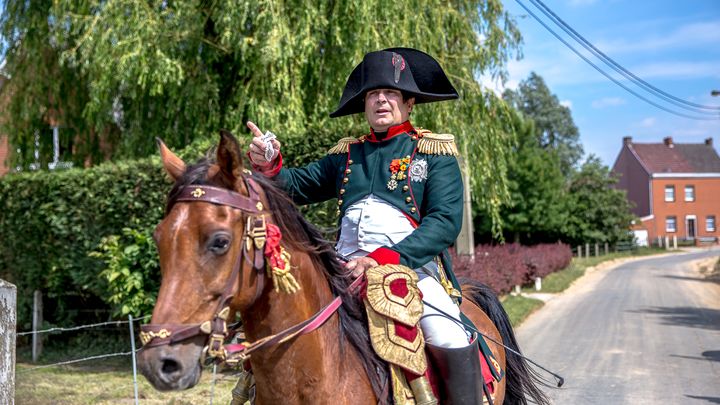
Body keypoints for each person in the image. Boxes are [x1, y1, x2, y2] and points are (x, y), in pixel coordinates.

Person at [247, 47, 483, 403]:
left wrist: (385, 258)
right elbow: (293, 187)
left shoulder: (434, 153)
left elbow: (445, 223)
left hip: (411, 272)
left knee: (448, 334)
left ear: (409, 103)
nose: (381, 101)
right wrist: (269, 163)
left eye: (390, 94)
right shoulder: (346, 154)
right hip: (341, 271)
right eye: (374, 94)